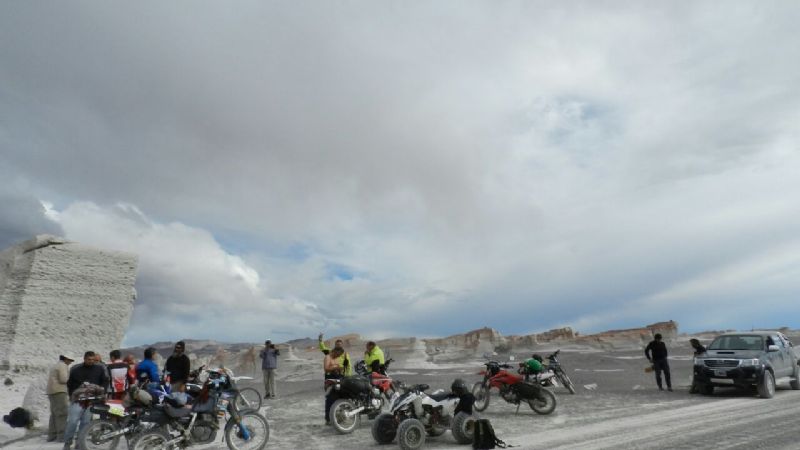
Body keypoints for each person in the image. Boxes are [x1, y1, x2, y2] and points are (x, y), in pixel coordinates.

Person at [64, 351, 108, 449]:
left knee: (85, 423)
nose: (91, 361)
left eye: (93, 360)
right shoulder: (75, 369)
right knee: (72, 421)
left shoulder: (100, 369)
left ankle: (79, 444)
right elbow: (69, 384)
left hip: (91, 401)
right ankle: (67, 443)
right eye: (89, 360)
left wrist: (101, 391)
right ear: (84, 359)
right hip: (78, 400)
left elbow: (105, 381)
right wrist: (73, 395)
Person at [46, 355, 74, 442]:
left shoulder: (55, 365)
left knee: (54, 413)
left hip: (51, 391)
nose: (70, 362)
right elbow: (63, 379)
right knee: (62, 413)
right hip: (59, 391)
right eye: (70, 360)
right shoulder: (63, 366)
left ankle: (51, 435)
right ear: (66, 359)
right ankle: (61, 436)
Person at [323, 347, 345, 425]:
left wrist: (339, 369)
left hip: (337, 379)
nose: (338, 356)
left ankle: (338, 417)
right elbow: (326, 368)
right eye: (338, 354)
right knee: (330, 399)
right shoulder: (328, 357)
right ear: (335, 351)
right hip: (329, 380)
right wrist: (336, 367)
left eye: (340, 355)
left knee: (339, 398)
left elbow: (338, 367)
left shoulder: (337, 358)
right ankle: (328, 419)